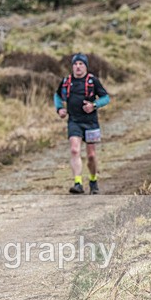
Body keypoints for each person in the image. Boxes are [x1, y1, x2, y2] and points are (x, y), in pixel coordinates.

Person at [53, 53, 110, 195]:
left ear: (85, 66)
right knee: (74, 150)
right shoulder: (66, 81)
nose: (78, 67)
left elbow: (106, 98)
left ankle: (93, 180)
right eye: (75, 64)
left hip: (91, 122)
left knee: (91, 155)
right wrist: (59, 108)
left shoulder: (93, 81)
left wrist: (94, 105)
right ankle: (77, 183)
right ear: (72, 66)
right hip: (74, 121)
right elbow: (57, 96)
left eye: (81, 64)